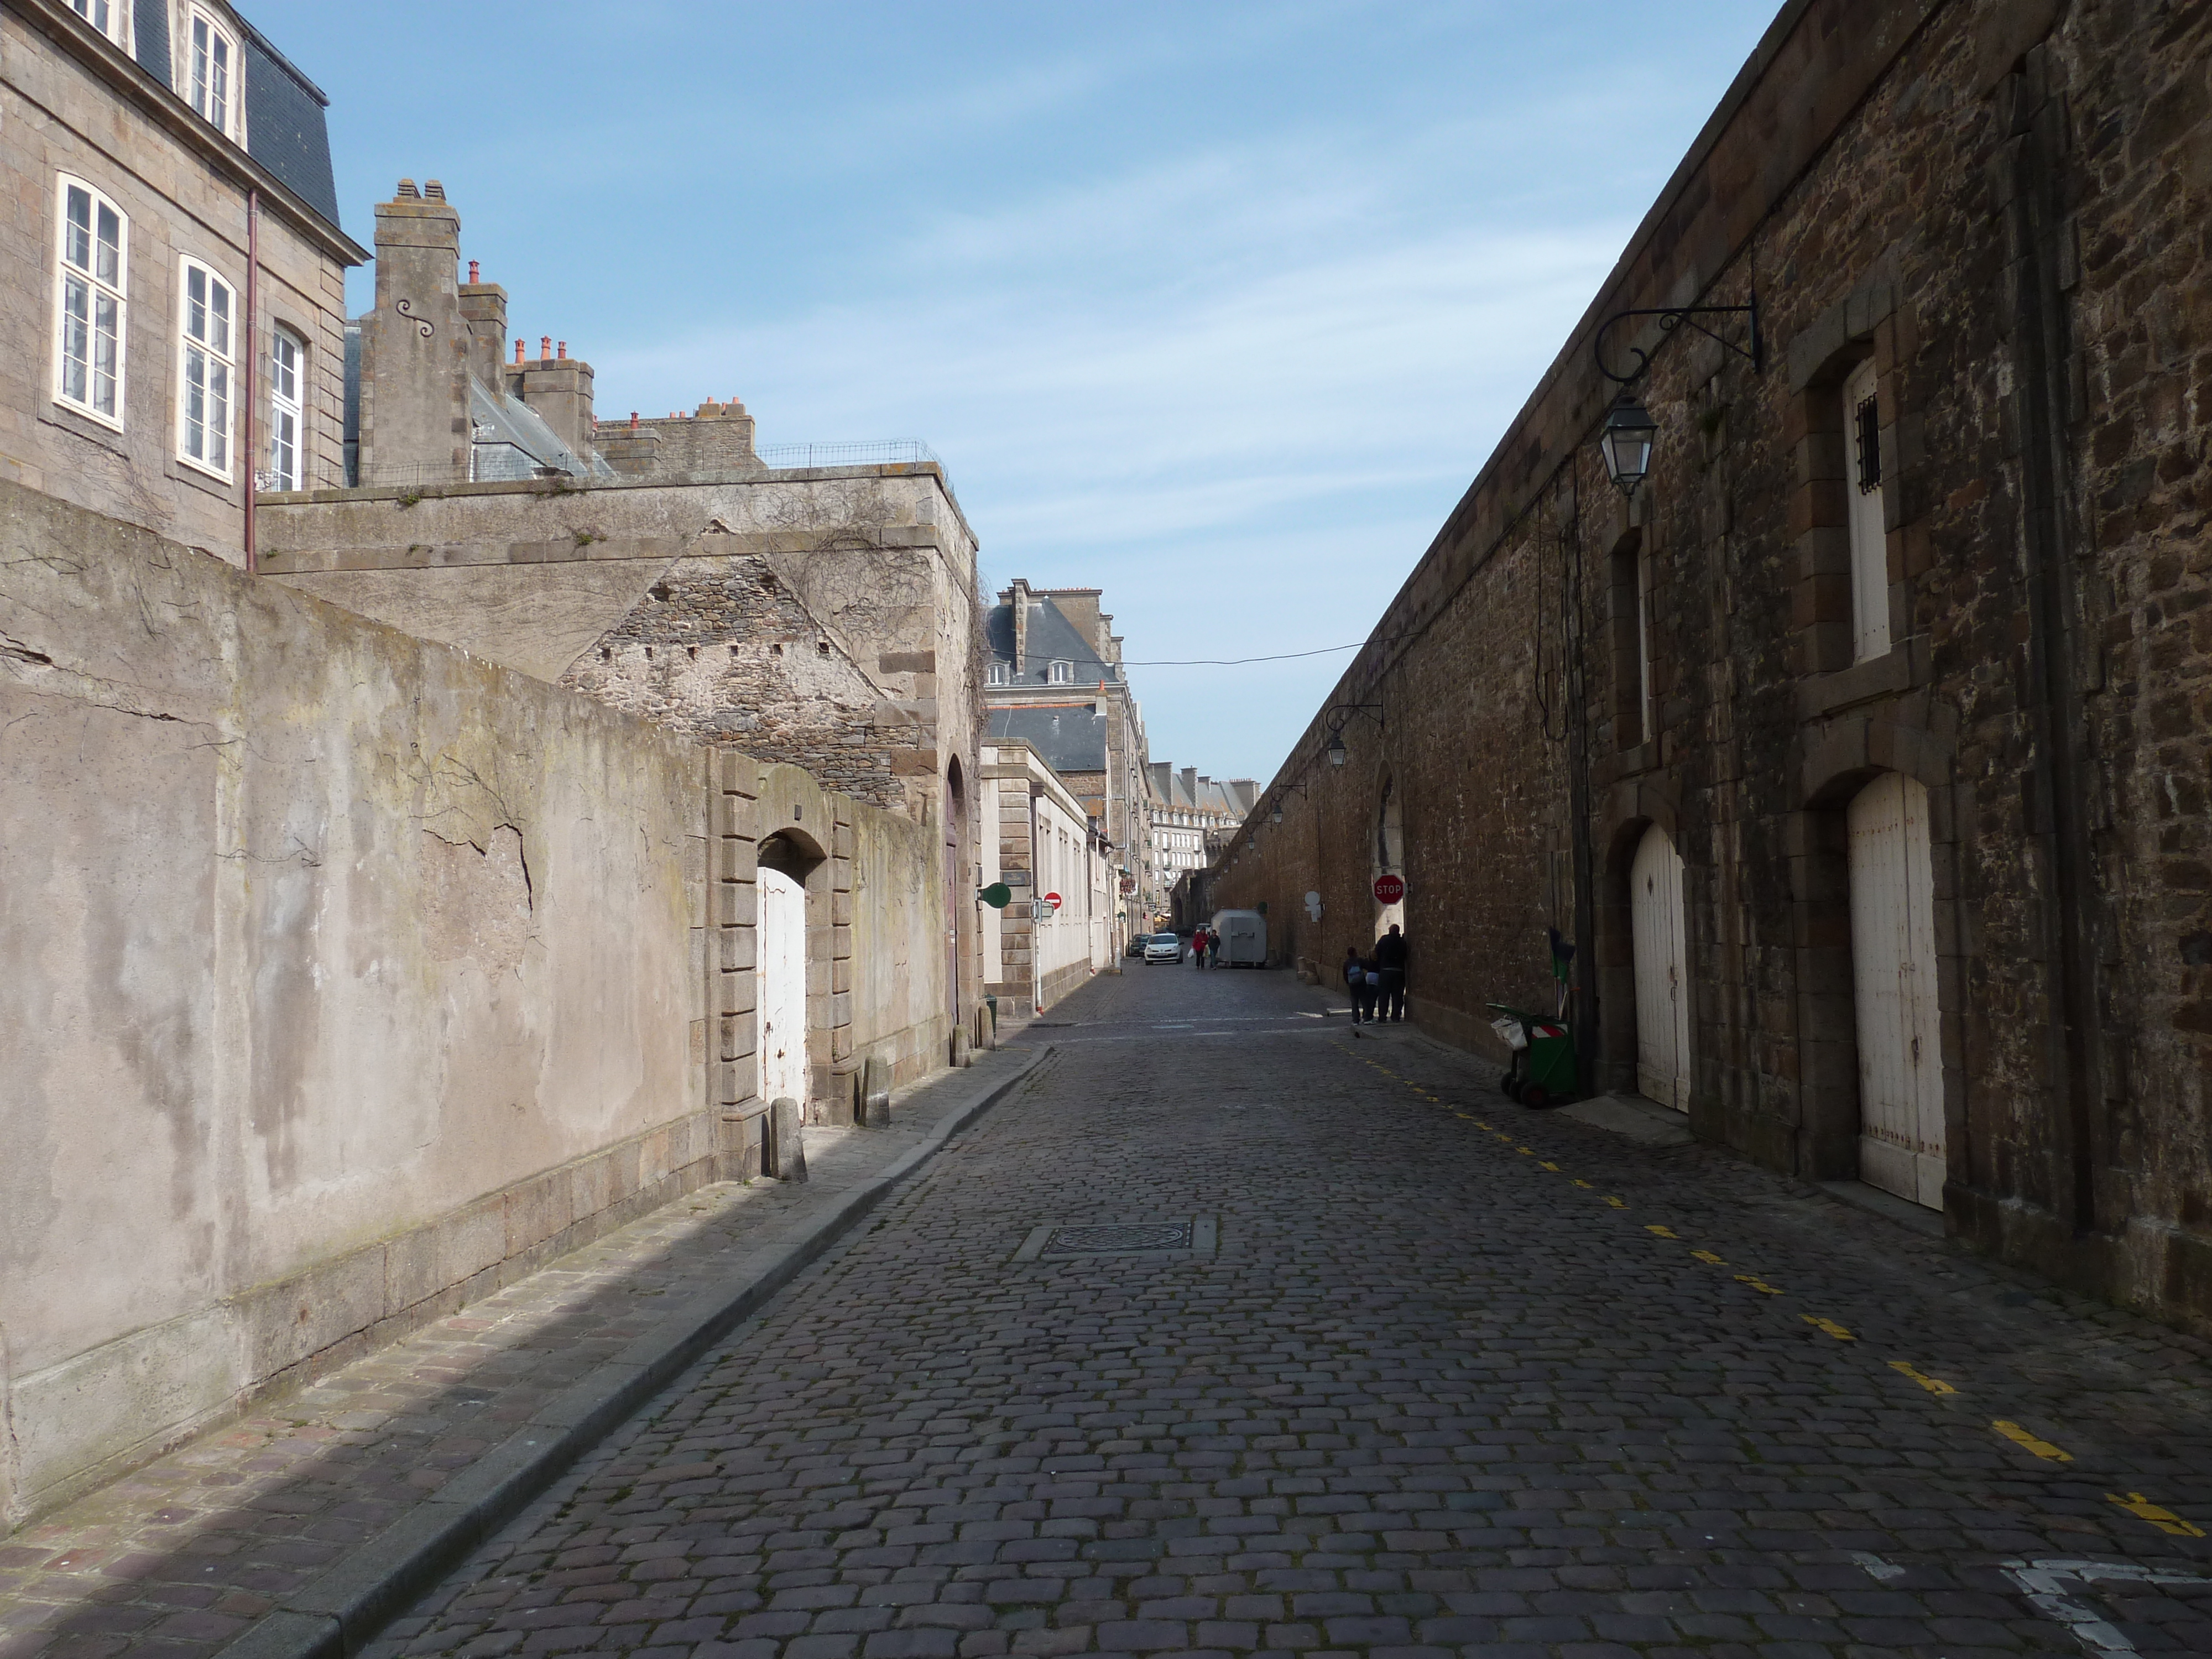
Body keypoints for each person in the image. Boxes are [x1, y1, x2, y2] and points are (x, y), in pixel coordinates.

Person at [1373, 923, 1408, 1022]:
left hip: (1385, 971)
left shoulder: (1384, 940)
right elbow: (1406, 955)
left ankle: (1382, 1017)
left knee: (1384, 996)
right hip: (1399, 971)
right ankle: (1396, 1016)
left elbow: (1376, 952)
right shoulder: (1403, 942)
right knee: (1398, 996)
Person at [1343, 945, 1370, 1023]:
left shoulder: (1346, 963)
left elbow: (1345, 975)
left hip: (1352, 986)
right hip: (1361, 984)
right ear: (1355, 952)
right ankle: (1366, 1018)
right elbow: (1368, 966)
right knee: (1365, 1001)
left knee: (1354, 1004)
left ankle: (1356, 1020)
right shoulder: (1359, 960)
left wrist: (1349, 983)